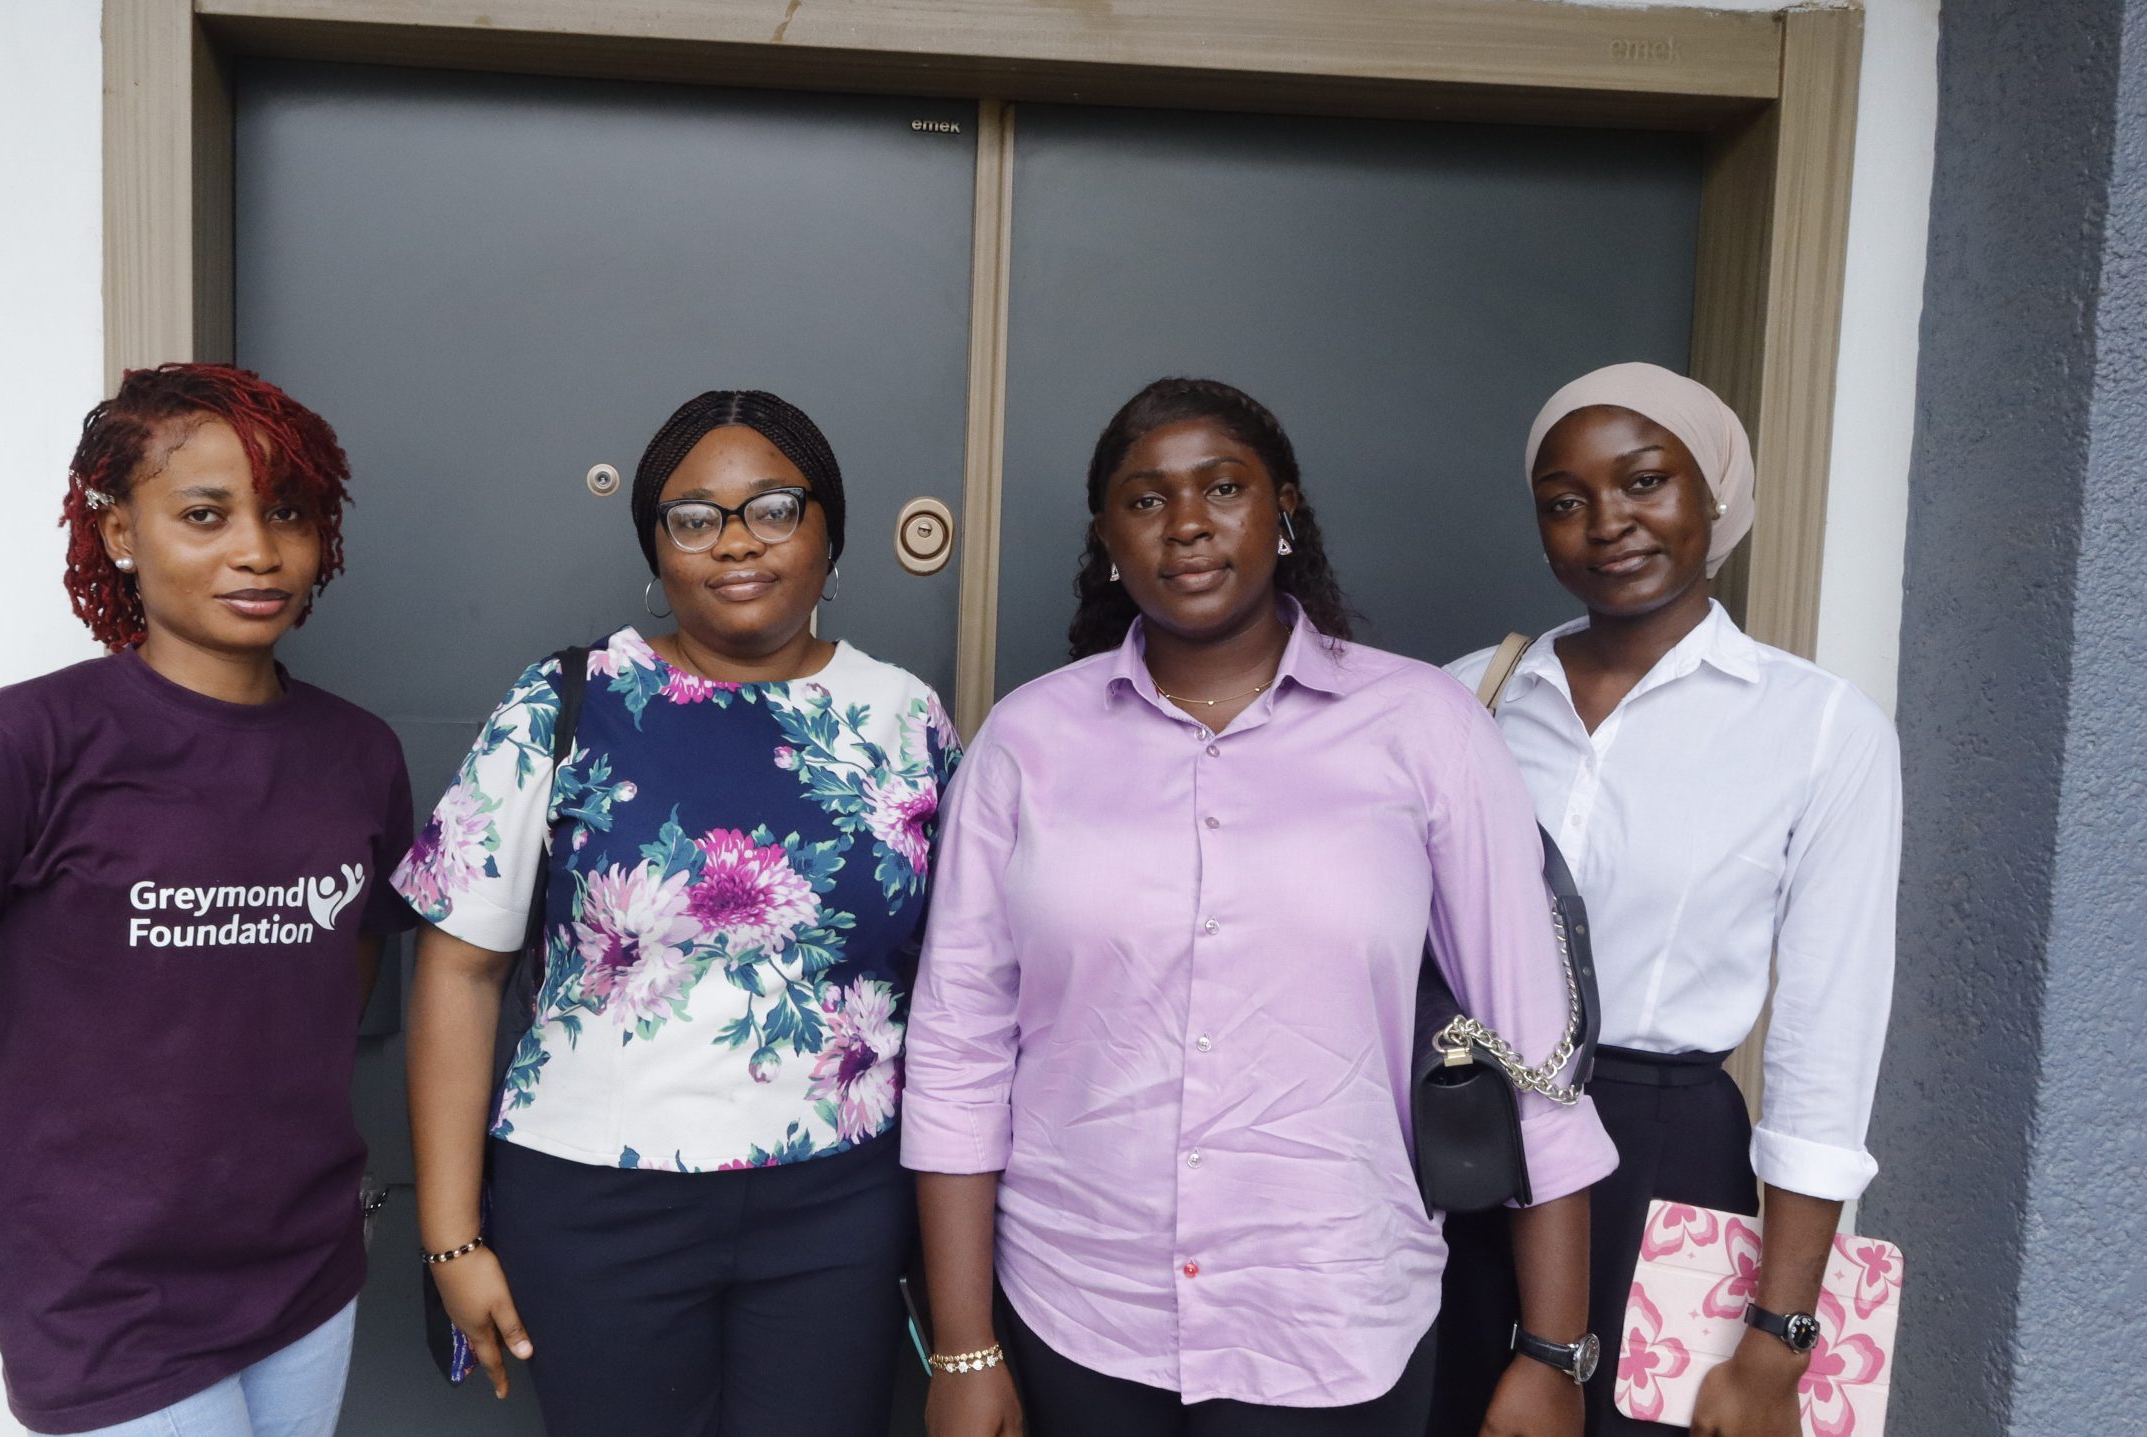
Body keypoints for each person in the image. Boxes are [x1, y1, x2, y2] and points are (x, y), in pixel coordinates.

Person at [905, 377, 1615, 1437]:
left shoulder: (1424, 727)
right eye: (1146, 500)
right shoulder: (1024, 742)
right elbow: (958, 1051)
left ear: (1283, 511)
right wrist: (965, 1347)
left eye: (1224, 488)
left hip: (1336, 1317)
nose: (1187, 523)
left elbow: (1535, 1050)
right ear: (1108, 538)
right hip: (1077, 1311)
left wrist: (1554, 1352)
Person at [0, 363, 420, 1436]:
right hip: (108, 1308)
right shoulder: (24, 742)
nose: (257, 549)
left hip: (306, 1275)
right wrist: (35, 1229)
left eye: (288, 512)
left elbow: (326, 1007)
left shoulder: (358, 755)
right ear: (120, 532)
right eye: (204, 514)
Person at [393, 390, 960, 1436]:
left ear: (829, 532)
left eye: (774, 509)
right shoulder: (565, 700)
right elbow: (459, 969)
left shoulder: (904, 716)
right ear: (657, 549)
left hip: (840, 1204)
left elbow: (959, 974)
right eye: (693, 518)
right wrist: (450, 1237)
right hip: (596, 1203)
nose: (735, 541)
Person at [1429, 362, 1900, 1437]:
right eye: (1565, 500)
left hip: (1665, 1157)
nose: (1607, 523)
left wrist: (1779, 1336)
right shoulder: (1465, 697)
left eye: (1645, 481)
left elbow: (1825, 1047)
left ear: (1714, 493)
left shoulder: (1820, 730)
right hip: (1464, 1141)